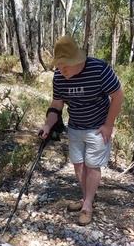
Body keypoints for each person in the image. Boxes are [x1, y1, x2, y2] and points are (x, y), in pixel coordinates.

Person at [39, 35, 124, 226]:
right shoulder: (59, 77)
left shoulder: (99, 69)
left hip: (98, 127)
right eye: (59, 66)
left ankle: (87, 205)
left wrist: (109, 125)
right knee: (78, 164)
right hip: (75, 126)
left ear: (78, 60)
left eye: (66, 65)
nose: (62, 70)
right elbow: (57, 104)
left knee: (92, 165)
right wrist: (47, 124)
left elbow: (118, 96)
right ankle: (86, 197)